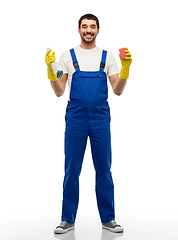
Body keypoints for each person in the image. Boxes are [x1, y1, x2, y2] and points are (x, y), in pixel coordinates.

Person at [45, 13, 132, 234]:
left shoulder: (107, 56)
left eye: (92, 26)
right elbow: (59, 92)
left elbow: (118, 90)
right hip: (75, 116)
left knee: (104, 168)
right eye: (84, 26)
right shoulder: (67, 55)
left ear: (98, 30)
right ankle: (67, 220)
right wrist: (50, 73)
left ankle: (108, 219)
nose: (88, 30)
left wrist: (125, 69)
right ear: (79, 29)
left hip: (101, 117)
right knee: (72, 169)